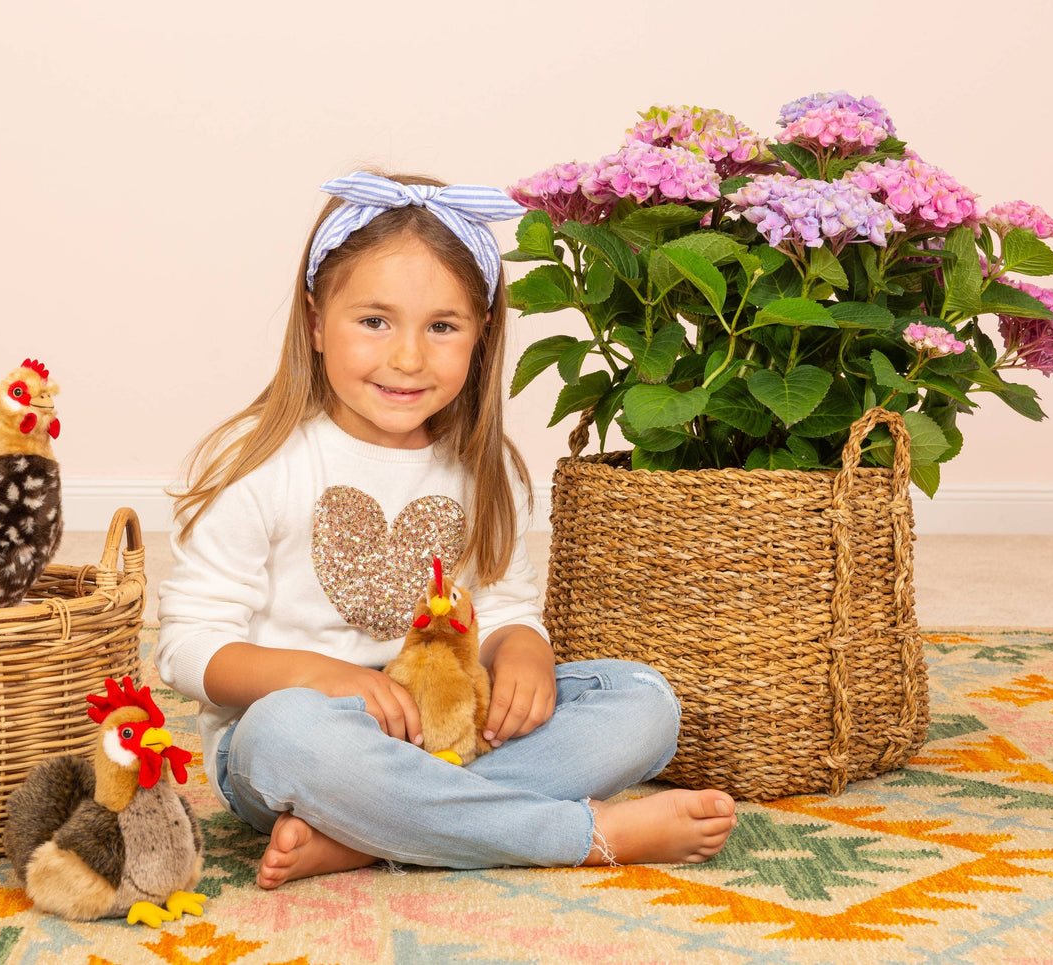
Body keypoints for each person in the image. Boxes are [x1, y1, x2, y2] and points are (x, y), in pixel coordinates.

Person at [156, 170, 737, 890]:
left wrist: (520, 646)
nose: (407, 357)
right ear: (314, 321)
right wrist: (319, 676)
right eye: (374, 321)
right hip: (308, 740)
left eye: (441, 326)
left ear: (481, 331)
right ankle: (575, 836)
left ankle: (372, 833)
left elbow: (503, 605)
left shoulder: (481, 466)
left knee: (644, 702)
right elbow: (186, 648)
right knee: (284, 733)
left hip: (450, 729)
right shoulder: (262, 460)